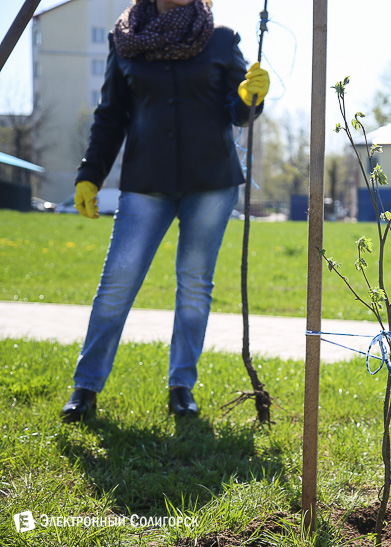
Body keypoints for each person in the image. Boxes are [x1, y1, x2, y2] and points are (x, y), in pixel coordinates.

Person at [61, 0, 269, 422]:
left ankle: (182, 387)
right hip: (146, 181)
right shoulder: (123, 40)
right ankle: (85, 387)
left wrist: (250, 98)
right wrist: (90, 173)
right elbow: (111, 115)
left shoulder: (221, 37)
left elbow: (238, 109)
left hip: (211, 181)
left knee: (194, 284)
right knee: (116, 282)